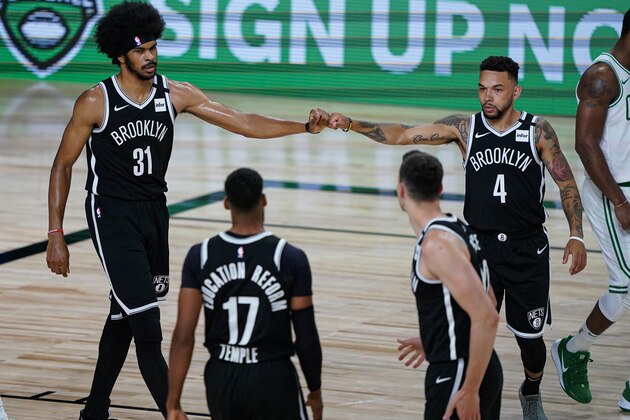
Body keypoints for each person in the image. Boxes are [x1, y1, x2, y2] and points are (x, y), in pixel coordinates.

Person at [44, 2, 326, 419]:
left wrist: (303, 126)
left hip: (155, 213)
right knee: (147, 325)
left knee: (125, 312)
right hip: (110, 214)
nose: (152, 57)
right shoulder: (95, 101)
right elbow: (62, 164)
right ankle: (172, 412)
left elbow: (244, 121)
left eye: (155, 48)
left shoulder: (175, 93)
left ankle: (95, 409)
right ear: (121, 56)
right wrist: (56, 234)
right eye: (142, 51)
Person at [324, 56, 588, 419]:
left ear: (516, 90)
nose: (487, 97)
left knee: (530, 342)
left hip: (528, 248)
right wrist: (351, 124)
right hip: (479, 247)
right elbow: (403, 133)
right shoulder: (465, 128)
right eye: (482, 89)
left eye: (497, 89)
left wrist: (576, 235)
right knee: (469, 327)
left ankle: (530, 389)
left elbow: (565, 180)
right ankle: (473, 390)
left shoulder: (537, 130)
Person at [166, 167, 323, 420]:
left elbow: (183, 336)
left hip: (222, 375)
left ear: (227, 203)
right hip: (272, 375)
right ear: (263, 200)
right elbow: (306, 337)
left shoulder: (201, 255)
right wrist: (315, 390)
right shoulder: (289, 257)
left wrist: (173, 402)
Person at [550, 8, 630, 412]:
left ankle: (577, 352)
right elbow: (585, 144)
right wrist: (619, 200)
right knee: (629, 290)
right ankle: (573, 350)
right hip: (612, 192)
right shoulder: (602, 77)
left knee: (627, 292)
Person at [395, 150, 502, 420]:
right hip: (479, 366)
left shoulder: (437, 245)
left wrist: (469, 389)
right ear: (440, 188)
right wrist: (439, 338)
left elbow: (487, 316)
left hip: (459, 375)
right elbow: (488, 299)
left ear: (401, 191)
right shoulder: (458, 229)